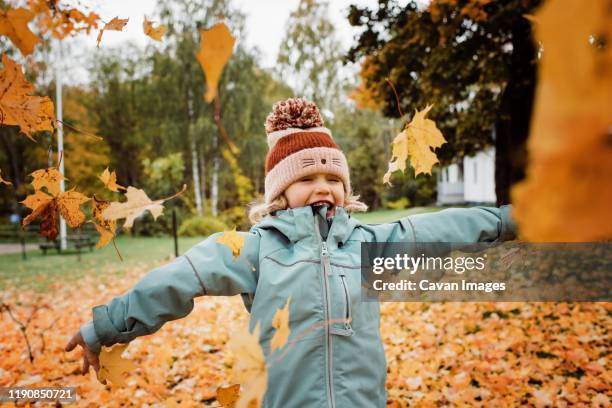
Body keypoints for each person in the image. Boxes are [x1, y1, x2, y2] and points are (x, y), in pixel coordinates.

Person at [65, 98, 517, 407]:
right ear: (280, 193)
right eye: (306, 179)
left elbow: (440, 228)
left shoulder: (367, 244)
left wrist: (511, 220)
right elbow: (178, 278)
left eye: (333, 179)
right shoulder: (255, 248)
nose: (323, 186)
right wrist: (105, 325)